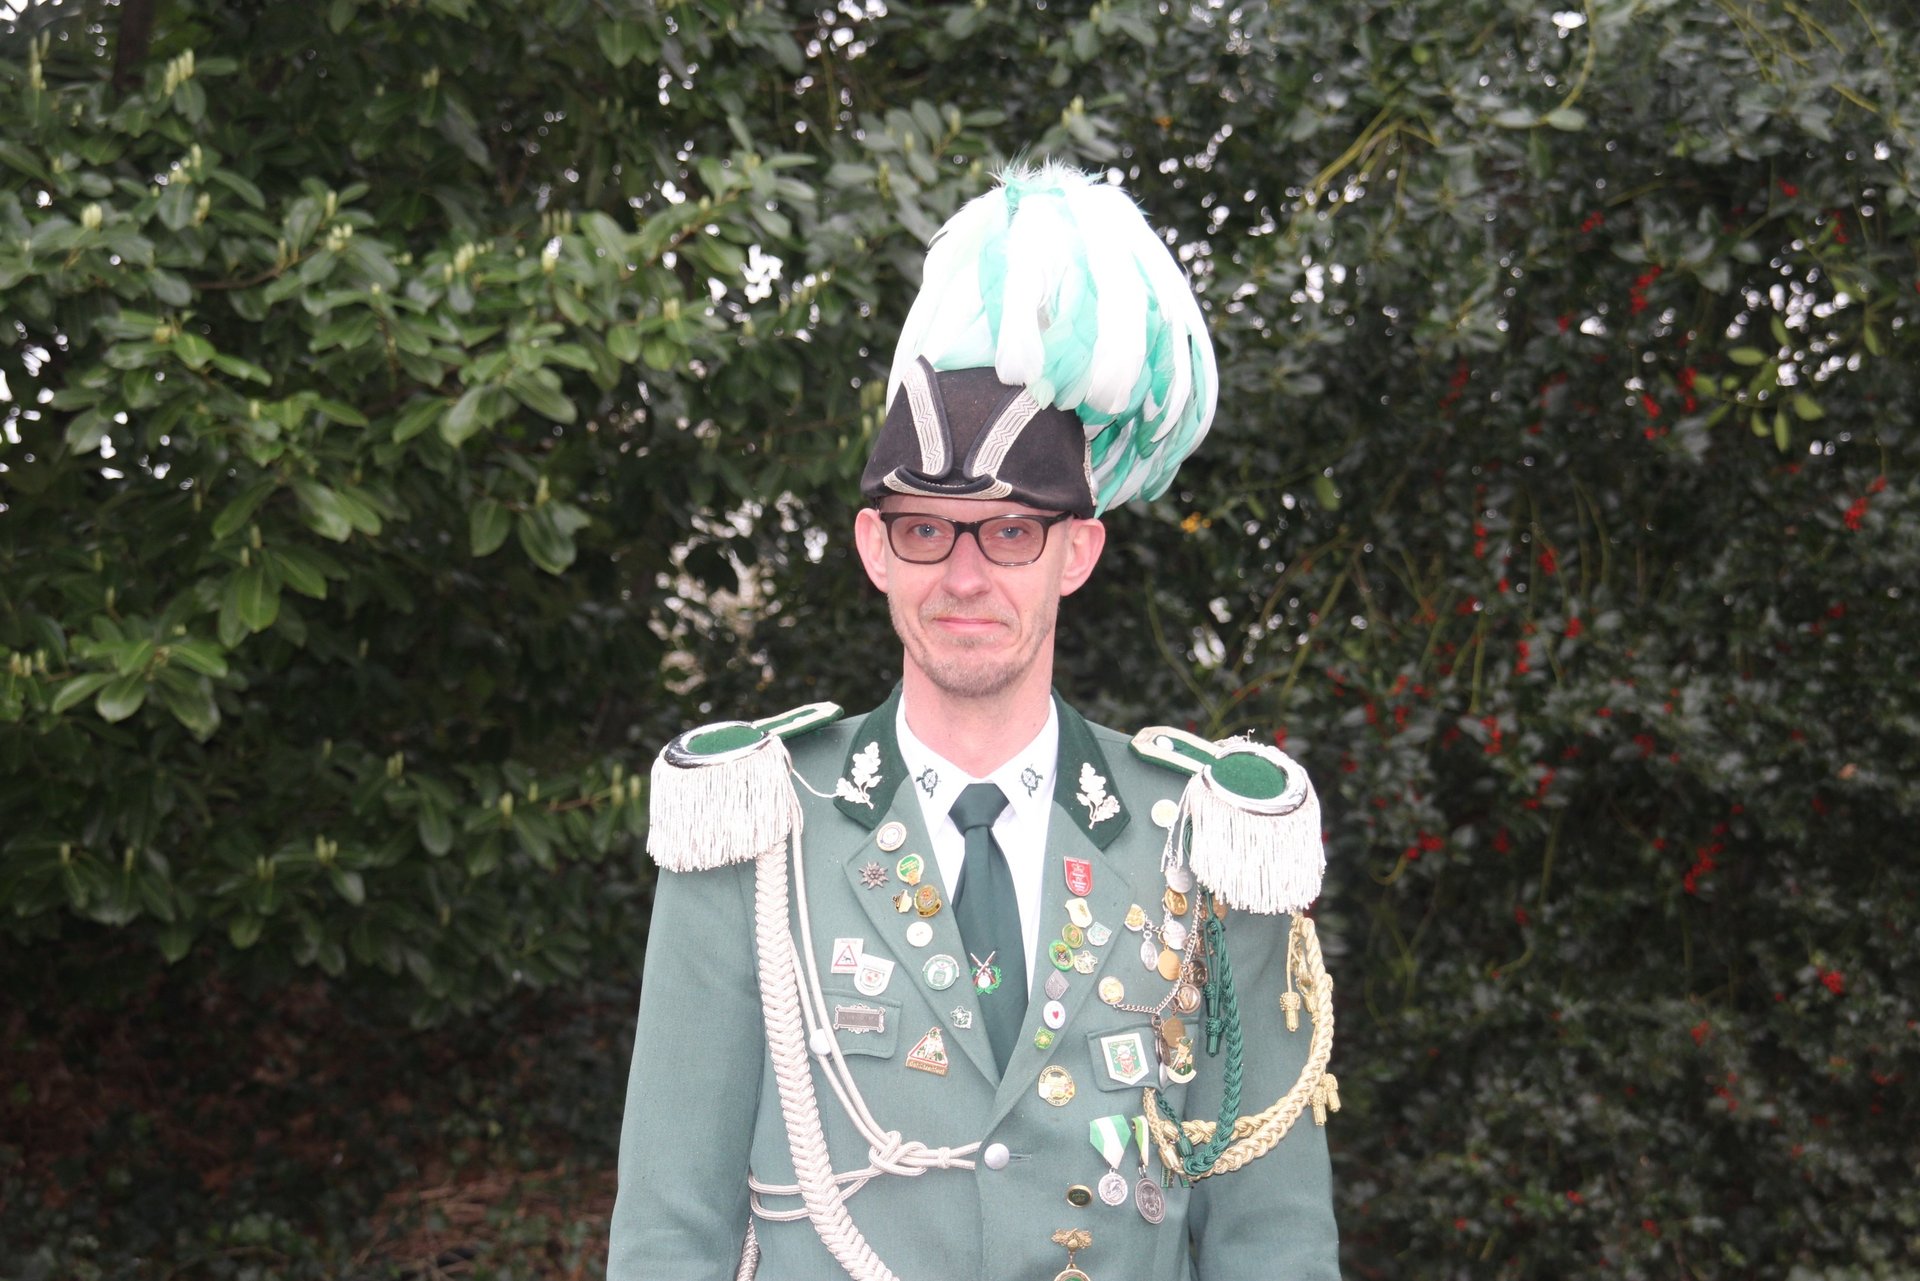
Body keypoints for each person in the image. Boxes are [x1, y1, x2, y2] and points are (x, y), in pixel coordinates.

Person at [609, 162, 1340, 1281]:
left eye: (1008, 533)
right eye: (925, 531)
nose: (964, 576)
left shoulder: (1205, 847)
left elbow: (1273, 1242)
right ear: (874, 549)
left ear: (1075, 552)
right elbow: (670, 1234)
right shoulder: (758, 832)